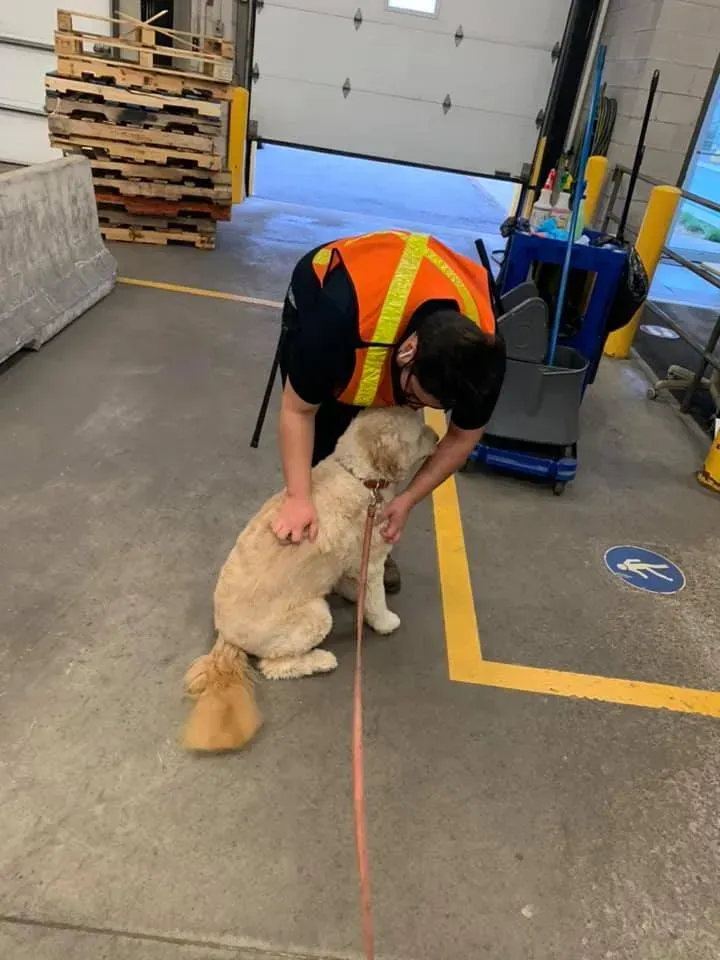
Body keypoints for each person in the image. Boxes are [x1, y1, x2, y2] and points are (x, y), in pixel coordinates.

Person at [271, 229, 506, 593]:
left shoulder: (484, 357)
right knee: (327, 439)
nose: (412, 409)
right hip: (329, 289)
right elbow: (298, 411)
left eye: (428, 407)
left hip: (393, 317)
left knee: (383, 453)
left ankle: (363, 544)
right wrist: (298, 496)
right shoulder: (333, 321)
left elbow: (463, 437)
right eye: (414, 397)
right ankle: (315, 530)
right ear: (408, 352)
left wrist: (407, 500)